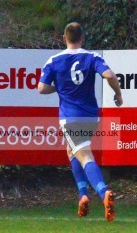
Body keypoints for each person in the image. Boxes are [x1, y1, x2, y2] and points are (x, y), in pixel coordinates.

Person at [38, 22, 123, 222]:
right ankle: (82, 195)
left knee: (84, 155)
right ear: (82, 38)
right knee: (72, 150)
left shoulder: (54, 60)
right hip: (91, 116)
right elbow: (109, 75)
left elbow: (41, 88)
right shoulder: (92, 57)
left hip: (70, 117)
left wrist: (58, 88)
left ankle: (104, 193)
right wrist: (118, 93)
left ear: (64, 38)